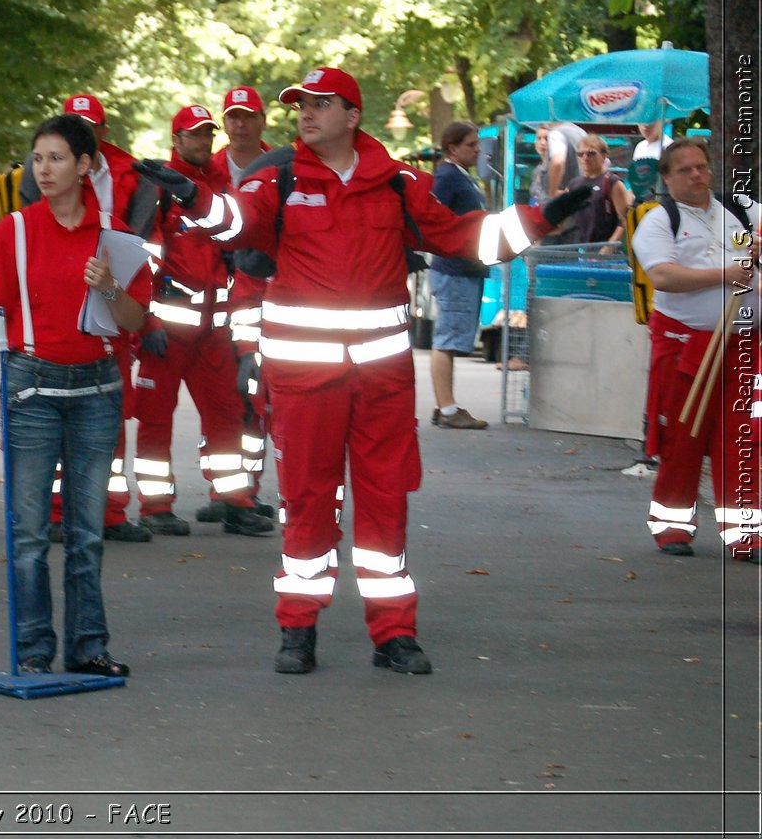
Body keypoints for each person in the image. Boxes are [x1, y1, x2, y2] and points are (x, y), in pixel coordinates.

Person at [135, 66, 588, 677]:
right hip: (304, 379)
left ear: (353, 116)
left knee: (384, 501)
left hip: (382, 379)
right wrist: (194, 198)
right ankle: (298, 627)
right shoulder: (279, 175)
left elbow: (463, 238)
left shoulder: (397, 182)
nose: (306, 113)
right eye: (301, 104)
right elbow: (237, 224)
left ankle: (394, 633)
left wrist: (542, 217)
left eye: (322, 104)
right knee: (306, 499)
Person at [0, 113, 151, 677]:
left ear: (85, 166)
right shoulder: (14, 230)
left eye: (57, 159)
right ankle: (34, 651)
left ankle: (89, 646)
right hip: (31, 389)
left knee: (87, 533)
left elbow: (135, 319)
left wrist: (111, 287)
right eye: (37, 159)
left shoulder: (113, 236)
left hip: (97, 389)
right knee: (28, 534)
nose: (43, 169)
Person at [131, 104, 272, 538]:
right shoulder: (155, 187)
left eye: (207, 133)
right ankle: (155, 506)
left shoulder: (222, 185)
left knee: (228, 415)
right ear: (176, 141)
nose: (203, 140)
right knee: (156, 419)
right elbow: (139, 256)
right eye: (193, 135)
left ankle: (235, 502)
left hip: (215, 328)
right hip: (167, 331)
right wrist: (146, 325)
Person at [630, 138, 759, 563]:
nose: (697, 175)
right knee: (681, 437)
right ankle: (672, 527)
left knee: (742, 440)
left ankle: (746, 535)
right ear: (667, 178)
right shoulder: (658, 220)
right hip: (686, 342)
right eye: (685, 169)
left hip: (741, 342)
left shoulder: (738, 209)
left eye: (702, 166)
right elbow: (663, 276)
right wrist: (728, 273)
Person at [32, 95, 151, 543]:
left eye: (93, 125)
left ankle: (112, 511)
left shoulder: (133, 175)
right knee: (59, 421)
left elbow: (143, 244)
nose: (88, 131)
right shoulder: (44, 173)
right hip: (60, 310)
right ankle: (61, 512)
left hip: (113, 303)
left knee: (111, 417)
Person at [200, 85, 277, 526]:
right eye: (233, 117)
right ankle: (222, 488)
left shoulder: (281, 169)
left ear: (262, 121)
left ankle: (247, 488)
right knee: (221, 399)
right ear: (224, 124)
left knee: (255, 399)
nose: (241, 125)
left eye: (248, 116)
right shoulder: (205, 169)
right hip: (212, 300)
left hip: (262, 295)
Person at [428, 121, 491, 430]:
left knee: (451, 339)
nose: (478, 149)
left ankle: (447, 404)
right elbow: (432, 217)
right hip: (453, 269)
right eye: (471, 144)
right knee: (447, 339)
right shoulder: (447, 177)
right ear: (453, 149)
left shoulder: (461, 177)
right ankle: (447, 408)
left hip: (464, 269)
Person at [562, 133, 633, 249]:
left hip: (605, 256)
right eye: (580, 154)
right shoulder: (573, 184)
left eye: (591, 153)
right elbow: (562, 217)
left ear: (604, 156)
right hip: (577, 252)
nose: (585, 158)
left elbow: (625, 221)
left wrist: (608, 248)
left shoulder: (612, 182)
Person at [627, 119, 672, 204]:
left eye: (651, 120)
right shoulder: (640, 147)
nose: (646, 125)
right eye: (642, 119)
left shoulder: (668, 148)